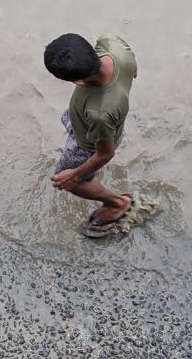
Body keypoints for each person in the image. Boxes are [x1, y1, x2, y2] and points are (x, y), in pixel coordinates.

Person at [43, 33, 138, 237]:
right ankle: (92, 180)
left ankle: (118, 204)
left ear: (77, 81)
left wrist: (74, 175)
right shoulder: (113, 47)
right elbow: (131, 57)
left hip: (87, 143)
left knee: (68, 181)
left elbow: (105, 153)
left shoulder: (99, 113)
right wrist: (133, 71)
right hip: (96, 124)